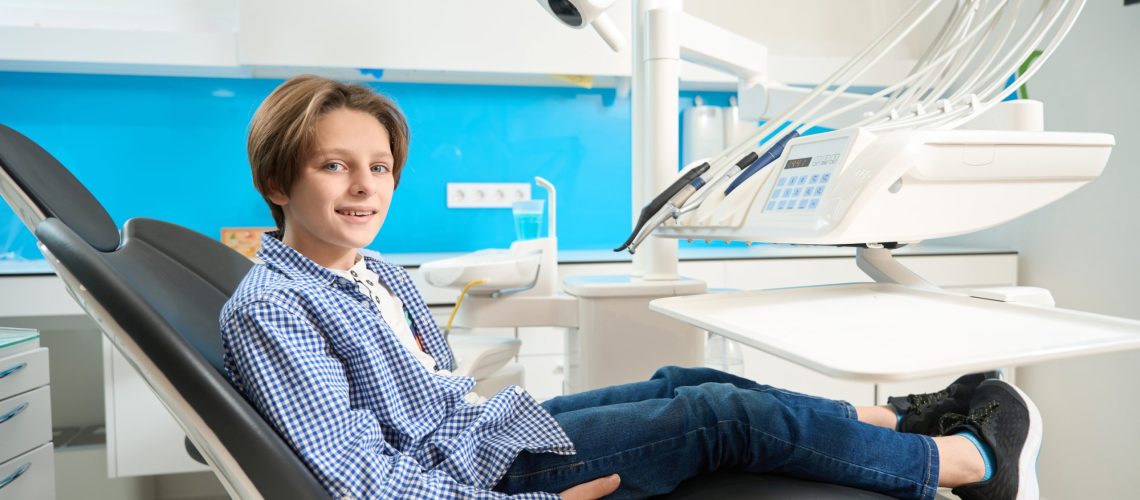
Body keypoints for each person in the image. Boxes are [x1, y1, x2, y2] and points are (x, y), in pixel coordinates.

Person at [220, 75, 1043, 500]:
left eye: (379, 167)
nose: (365, 187)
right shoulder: (273, 308)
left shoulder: (374, 275)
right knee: (720, 419)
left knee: (688, 382)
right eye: (335, 166)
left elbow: (438, 401)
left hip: (484, 434)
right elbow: (365, 485)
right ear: (279, 182)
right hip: (483, 478)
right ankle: (968, 462)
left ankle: (904, 417)